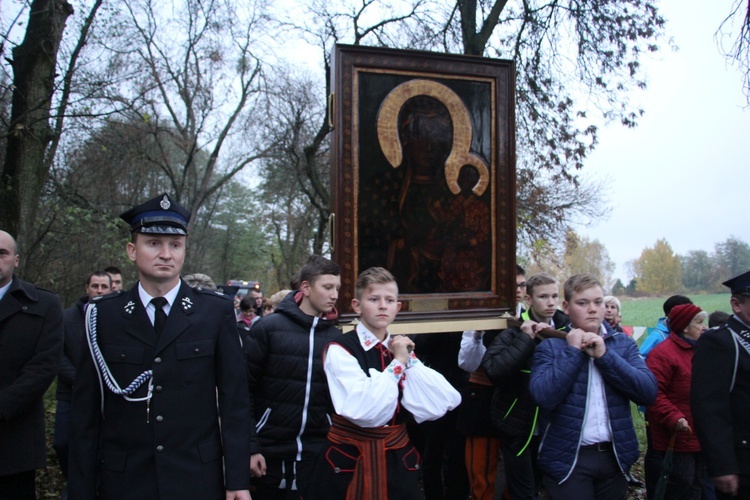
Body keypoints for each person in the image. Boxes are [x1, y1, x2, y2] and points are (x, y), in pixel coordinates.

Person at [69, 193, 251, 500]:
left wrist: (237, 481)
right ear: (132, 249)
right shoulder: (103, 315)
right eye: (153, 243)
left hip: (196, 477)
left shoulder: (213, 312)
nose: (166, 254)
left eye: (175, 245)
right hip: (126, 480)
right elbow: (86, 415)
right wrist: (81, 490)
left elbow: (234, 403)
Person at [309, 267, 461, 498]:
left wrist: (409, 361)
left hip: (396, 459)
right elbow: (365, 409)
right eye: (374, 299)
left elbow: (443, 400)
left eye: (389, 300)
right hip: (349, 460)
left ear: (397, 307)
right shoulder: (340, 350)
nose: (383, 305)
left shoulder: (400, 348)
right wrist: (398, 363)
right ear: (357, 306)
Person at [529, 273, 657, 500]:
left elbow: (647, 392)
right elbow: (543, 396)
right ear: (566, 307)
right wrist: (573, 352)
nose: (593, 309)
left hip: (614, 458)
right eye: (583, 303)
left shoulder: (622, 344)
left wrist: (605, 356)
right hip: (569, 459)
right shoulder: (551, 347)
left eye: (598, 302)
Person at [245, 255, 341, 499]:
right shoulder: (269, 328)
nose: (334, 295)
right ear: (306, 288)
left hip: (318, 452)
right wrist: (250, 446)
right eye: (327, 287)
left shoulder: (336, 339)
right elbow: (242, 391)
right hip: (269, 453)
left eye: (337, 288)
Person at [482, 273, 568, 500]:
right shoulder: (512, 330)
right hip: (518, 425)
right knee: (523, 491)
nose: (551, 302)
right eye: (543, 297)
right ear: (529, 299)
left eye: (554, 296)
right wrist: (525, 339)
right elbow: (494, 371)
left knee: (547, 487)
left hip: (555, 426)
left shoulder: (567, 330)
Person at [0, 230, 64, 499]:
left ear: (16, 259)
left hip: (13, 439)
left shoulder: (44, 304)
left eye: (2, 253)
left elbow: (43, 367)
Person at [456, 264, 527, 499]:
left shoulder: (529, 316)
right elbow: (466, 363)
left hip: (518, 403)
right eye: (512, 285)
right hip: (483, 399)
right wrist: (478, 332)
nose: (517, 290)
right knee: (482, 475)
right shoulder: (480, 313)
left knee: (515, 479)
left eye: (522, 285)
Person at [691, 270, 750, 499]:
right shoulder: (719, 342)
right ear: (736, 304)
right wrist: (723, 466)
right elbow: (709, 408)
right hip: (742, 463)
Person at [54, 271, 111, 490]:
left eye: (103, 287)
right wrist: (81, 381)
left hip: (105, 393)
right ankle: (74, 483)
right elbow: (57, 355)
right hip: (70, 394)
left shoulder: (114, 318)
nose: (99, 291)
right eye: (95, 286)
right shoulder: (66, 317)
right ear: (86, 288)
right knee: (63, 442)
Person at [645, 304, 707, 499]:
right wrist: (674, 417)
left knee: (697, 484)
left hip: (701, 431)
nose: (703, 327)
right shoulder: (663, 354)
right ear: (684, 327)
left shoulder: (702, 351)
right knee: (681, 484)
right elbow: (653, 394)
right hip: (678, 434)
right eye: (698, 323)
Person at [640, 295, 693, 359]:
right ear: (670, 314)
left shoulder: (691, 334)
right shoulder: (657, 336)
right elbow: (640, 359)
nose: (690, 317)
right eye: (686, 314)